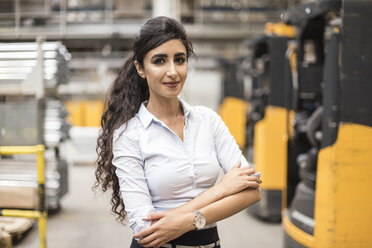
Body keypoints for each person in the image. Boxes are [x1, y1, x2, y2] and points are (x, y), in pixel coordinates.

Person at [95, 16, 262, 248]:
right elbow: (145, 229)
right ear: (140, 69)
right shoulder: (129, 135)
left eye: (180, 60)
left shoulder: (208, 121)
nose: (173, 71)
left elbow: (252, 192)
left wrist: (185, 221)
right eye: (160, 61)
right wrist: (221, 190)